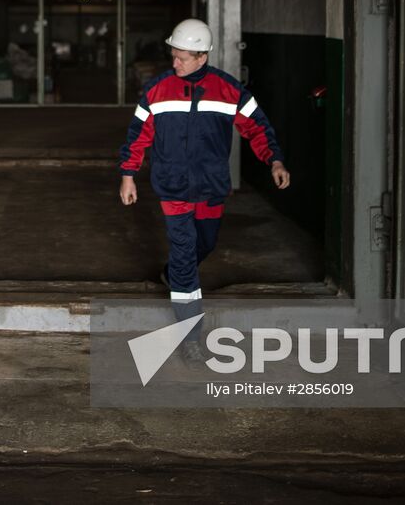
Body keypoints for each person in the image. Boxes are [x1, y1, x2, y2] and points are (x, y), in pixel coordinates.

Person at [118, 18, 290, 363]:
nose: (175, 63)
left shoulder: (230, 90)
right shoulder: (156, 90)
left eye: (182, 57)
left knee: (205, 243)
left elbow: (257, 127)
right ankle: (190, 334)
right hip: (173, 187)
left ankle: (175, 273)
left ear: (202, 57)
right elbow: (138, 135)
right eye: (173, 55)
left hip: (211, 186)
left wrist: (274, 161)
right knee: (184, 253)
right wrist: (128, 174)